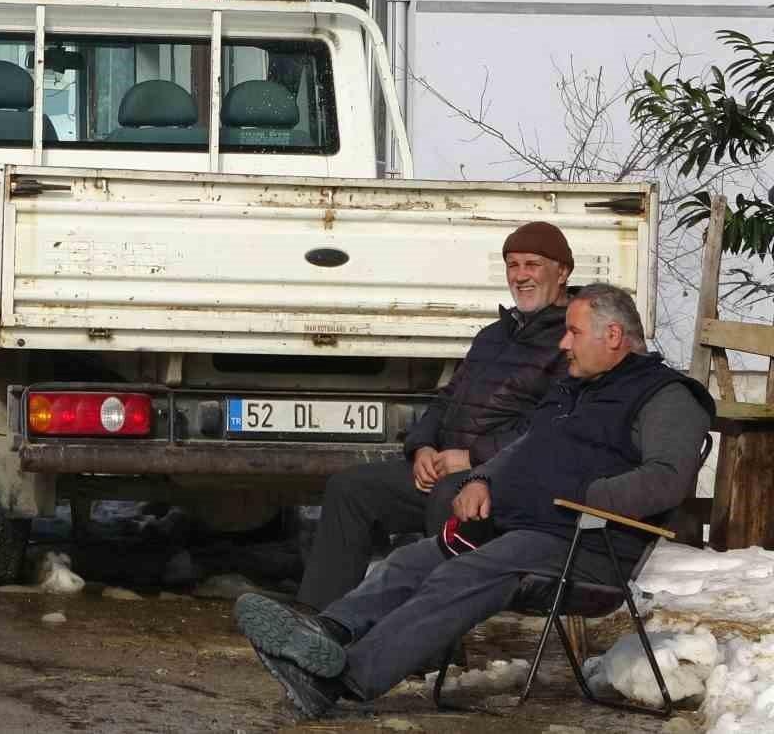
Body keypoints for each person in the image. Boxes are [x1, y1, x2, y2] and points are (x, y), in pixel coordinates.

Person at [236, 283, 714, 719]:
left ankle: (343, 678)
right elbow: (524, 447)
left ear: (613, 335)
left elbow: (667, 480)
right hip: (525, 531)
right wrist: (482, 479)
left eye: (572, 332)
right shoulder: (575, 388)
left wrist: (580, 499)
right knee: (412, 560)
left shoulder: (665, 397)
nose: (563, 344)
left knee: (466, 572)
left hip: (586, 549)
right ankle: (328, 632)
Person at [296, 221, 576, 610]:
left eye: (533, 264)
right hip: (445, 468)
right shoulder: (493, 335)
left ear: (562, 271)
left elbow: (551, 426)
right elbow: (446, 399)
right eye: (513, 265)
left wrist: (474, 458)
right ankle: (322, 621)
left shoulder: (571, 339)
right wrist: (422, 446)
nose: (521, 276)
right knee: (351, 488)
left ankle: (428, 645)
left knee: (448, 496)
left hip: (502, 481)